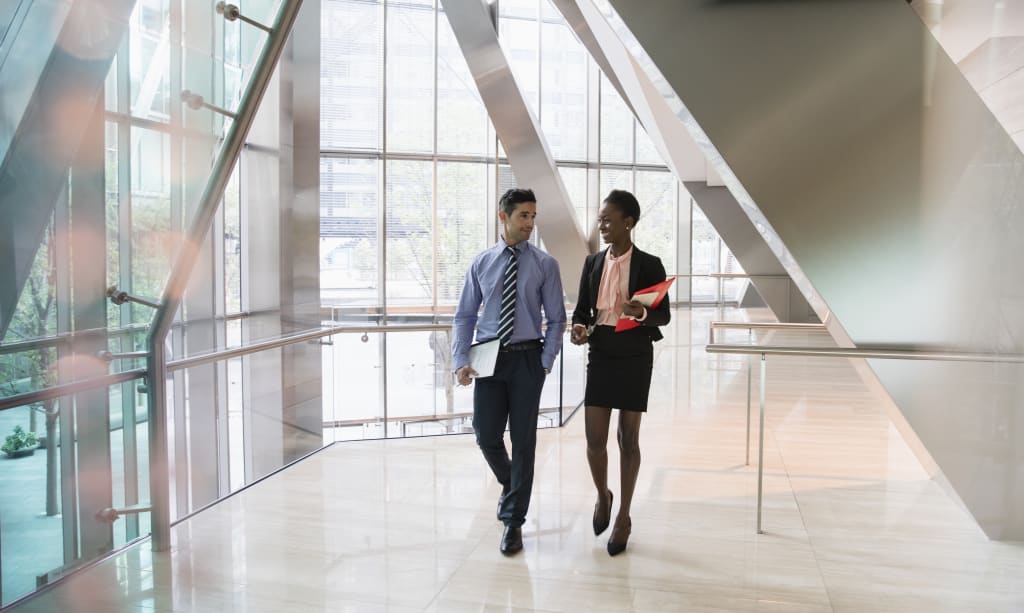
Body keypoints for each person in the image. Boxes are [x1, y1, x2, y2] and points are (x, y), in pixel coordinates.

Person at [452, 187, 567, 556]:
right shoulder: (481, 262)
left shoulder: (545, 264)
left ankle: (513, 522)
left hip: (527, 360)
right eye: (523, 216)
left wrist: (545, 362)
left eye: (534, 216)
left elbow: (557, 318)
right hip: (487, 358)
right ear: (503, 216)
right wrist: (460, 361)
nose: (530, 223)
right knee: (486, 435)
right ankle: (513, 484)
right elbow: (465, 315)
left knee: (524, 441)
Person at [570, 189, 670, 556]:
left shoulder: (650, 264)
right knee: (594, 440)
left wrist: (640, 313)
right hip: (602, 352)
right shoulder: (593, 263)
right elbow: (582, 311)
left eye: (608, 219)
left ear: (628, 222)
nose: (602, 225)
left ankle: (624, 517)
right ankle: (603, 495)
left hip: (635, 355)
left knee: (628, 440)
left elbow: (664, 314)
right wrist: (578, 329)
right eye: (600, 219)